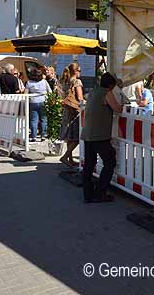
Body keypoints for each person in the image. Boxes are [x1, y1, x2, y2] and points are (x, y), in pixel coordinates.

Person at [81, 72, 123, 203]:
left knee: (88, 165)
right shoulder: (106, 92)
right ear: (111, 85)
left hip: (88, 133)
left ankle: (88, 195)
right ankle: (100, 193)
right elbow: (118, 109)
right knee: (110, 162)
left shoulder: (93, 91)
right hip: (99, 135)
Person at [59, 63, 85, 167]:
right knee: (76, 137)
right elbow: (80, 98)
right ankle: (65, 157)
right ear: (76, 71)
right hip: (74, 111)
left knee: (70, 137)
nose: (80, 72)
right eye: (80, 70)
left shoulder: (65, 81)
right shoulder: (76, 82)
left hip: (66, 110)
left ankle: (70, 159)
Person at [25, 68, 52, 141]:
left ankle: (33, 136)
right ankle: (43, 135)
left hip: (33, 101)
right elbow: (50, 91)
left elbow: (25, 93)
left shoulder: (29, 82)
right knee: (44, 119)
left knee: (34, 120)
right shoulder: (44, 81)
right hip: (43, 100)